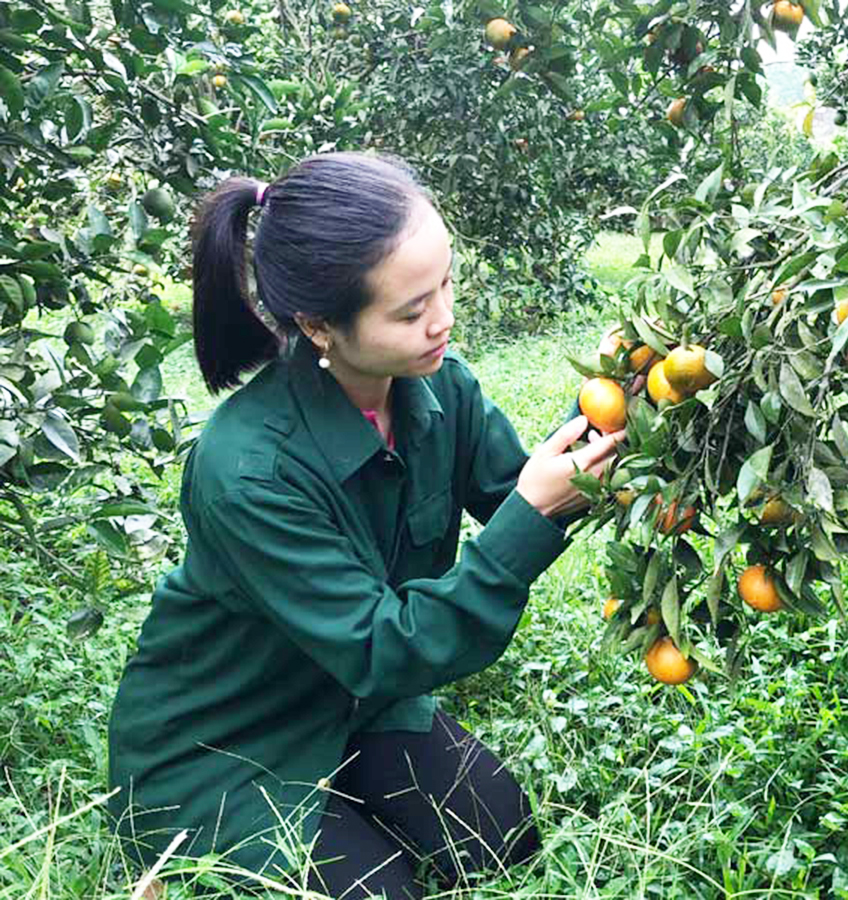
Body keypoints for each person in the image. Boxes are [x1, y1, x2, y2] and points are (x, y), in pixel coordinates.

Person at [106, 152, 622, 899]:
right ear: (319, 324)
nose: (442, 319)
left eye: (445, 283)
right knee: (382, 893)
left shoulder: (438, 384)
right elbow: (384, 646)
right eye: (411, 311)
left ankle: (349, 809)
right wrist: (533, 514)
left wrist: (616, 410)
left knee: (499, 838)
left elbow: (513, 487)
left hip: (351, 705)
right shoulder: (249, 468)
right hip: (223, 741)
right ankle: (195, 844)